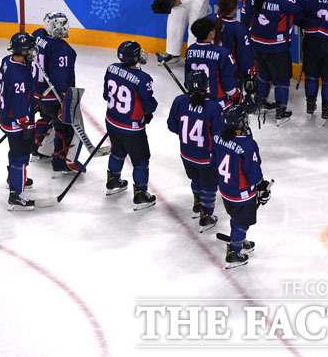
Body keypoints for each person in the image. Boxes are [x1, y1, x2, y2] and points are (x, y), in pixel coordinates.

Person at [244, 0, 310, 125]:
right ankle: (281, 111)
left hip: (258, 44)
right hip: (277, 47)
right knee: (282, 80)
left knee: (264, 76)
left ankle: (260, 104)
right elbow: (304, 4)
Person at [212, 104, 272, 269]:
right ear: (239, 123)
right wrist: (261, 186)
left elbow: (214, 159)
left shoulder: (218, 136)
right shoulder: (247, 144)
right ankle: (234, 252)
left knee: (236, 217)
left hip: (224, 189)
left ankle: (238, 238)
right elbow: (252, 172)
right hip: (241, 193)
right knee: (241, 223)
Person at [103, 41, 158, 210]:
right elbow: (150, 105)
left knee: (117, 151)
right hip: (132, 129)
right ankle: (141, 194)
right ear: (134, 57)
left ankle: (113, 180)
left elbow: (106, 95)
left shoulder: (111, 68)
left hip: (112, 121)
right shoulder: (143, 78)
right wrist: (148, 112)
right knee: (141, 161)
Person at [167, 70, 224, 232]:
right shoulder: (213, 107)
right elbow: (219, 136)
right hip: (206, 158)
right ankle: (206, 214)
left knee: (196, 179)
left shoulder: (179, 101)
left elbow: (172, 126)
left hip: (186, 154)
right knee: (210, 185)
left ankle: (197, 202)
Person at [31, 12, 82, 175]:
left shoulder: (37, 34)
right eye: (59, 24)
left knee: (45, 119)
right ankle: (60, 162)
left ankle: (37, 149)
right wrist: (65, 100)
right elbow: (61, 79)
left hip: (37, 92)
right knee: (63, 126)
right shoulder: (62, 49)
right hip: (53, 96)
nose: (63, 27)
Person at [0, 32, 37, 211]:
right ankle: (16, 195)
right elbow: (19, 103)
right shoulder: (19, 76)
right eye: (30, 48)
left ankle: (12, 177)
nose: (33, 51)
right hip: (17, 122)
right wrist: (26, 124)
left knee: (14, 150)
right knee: (21, 157)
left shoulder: (8, 60)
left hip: (5, 117)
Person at [184, 17, 241, 110]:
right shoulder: (223, 53)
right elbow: (228, 85)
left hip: (196, 102)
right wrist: (238, 96)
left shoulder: (190, 51)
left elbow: (188, 82)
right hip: (218, 103)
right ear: (211, 33)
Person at [206, 0, 255, 88]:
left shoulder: (208, 19)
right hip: (229, 74)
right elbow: (244, 56)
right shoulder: (240, 29)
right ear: (236, 9)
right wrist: (249, 75)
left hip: (208, 69)